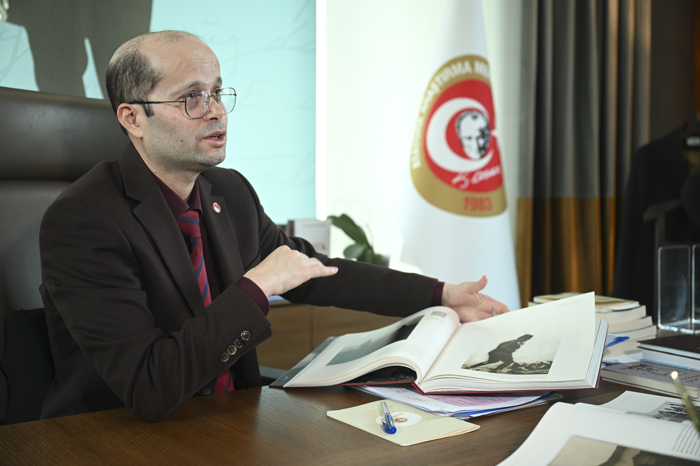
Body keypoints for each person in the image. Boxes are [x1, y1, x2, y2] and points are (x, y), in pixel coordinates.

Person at [39, 30, 509, 422]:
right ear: (132, 119)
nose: (216, 111)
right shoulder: (83, 220)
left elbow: (313, 271)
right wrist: (258, 286)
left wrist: (440, 294)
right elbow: (148, 385)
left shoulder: (229, 192)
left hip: (228, 421)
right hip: (111, 436)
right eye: (191, 98)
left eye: (218, 92)